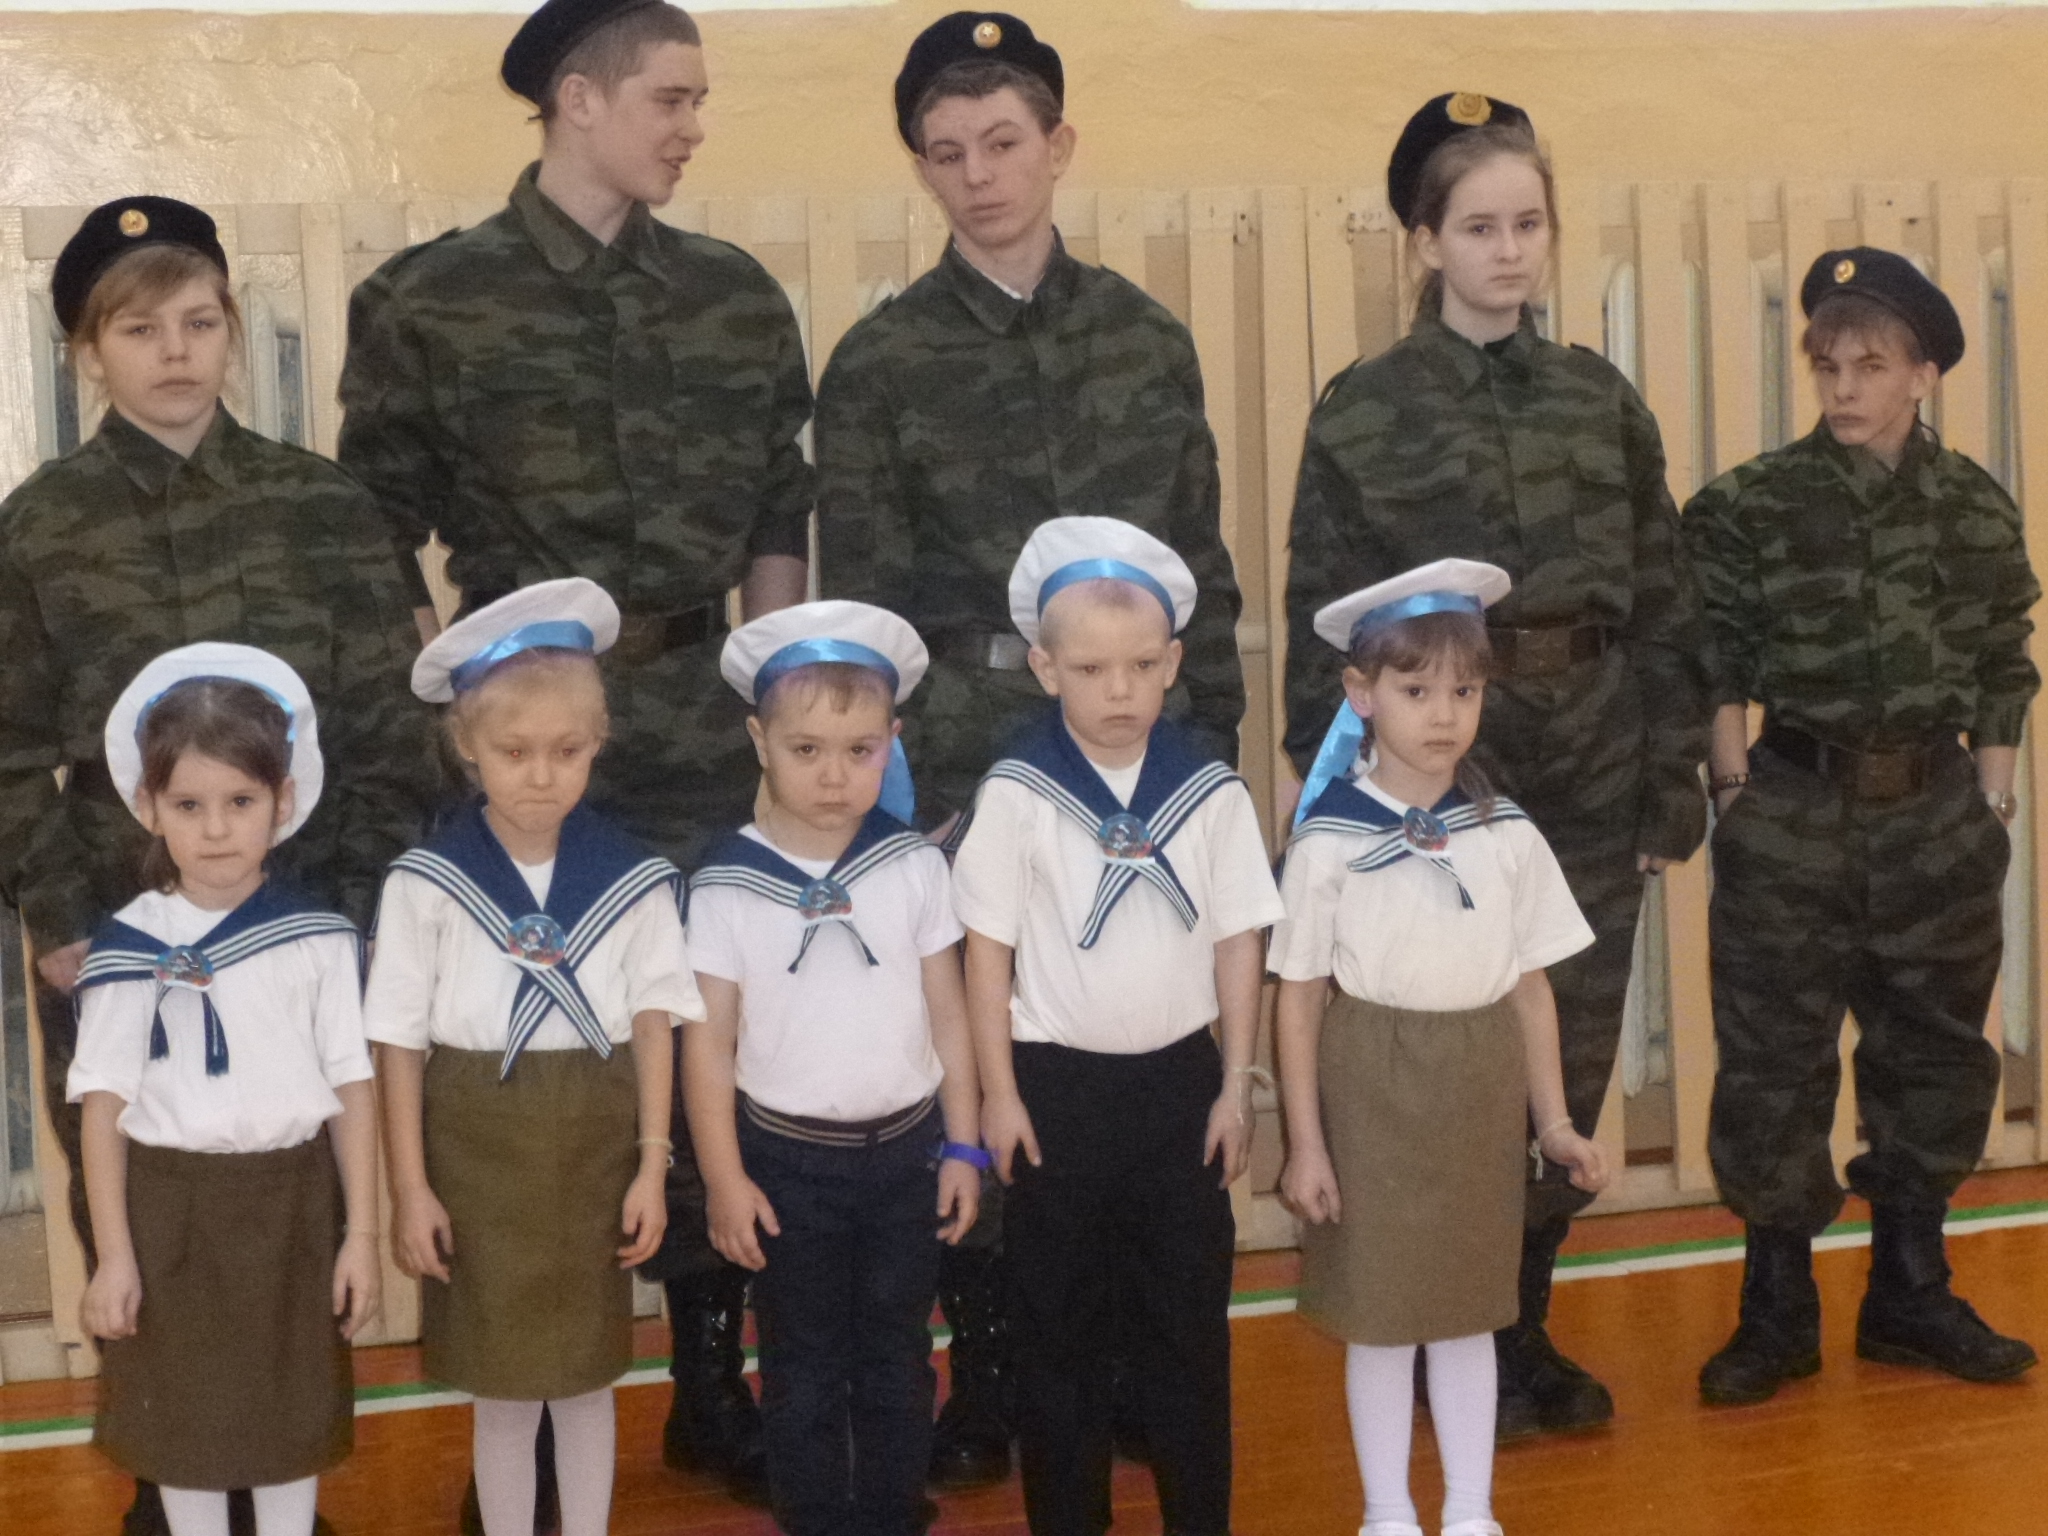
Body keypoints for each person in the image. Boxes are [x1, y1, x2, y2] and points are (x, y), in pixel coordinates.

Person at [337, 0, 813, 1499]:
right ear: (579, 99)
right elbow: (374, 527)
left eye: (698, 99)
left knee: (701, 1052)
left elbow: (775, 515)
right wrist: (468, 716)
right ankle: (522, 1398)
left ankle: (710, 1389)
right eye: (670, 97)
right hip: (526, 753)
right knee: (530, 1077)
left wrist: (776, 709)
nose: (691, 126)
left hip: (698, 726)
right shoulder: (431, 299)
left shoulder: (734, 298)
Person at [816, 12, 1245, 1483]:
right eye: (945, 153)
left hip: (1136, 753)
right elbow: (867, 610)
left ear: (1058, 145)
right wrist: (896, 802)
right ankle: (996, 1373)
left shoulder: (1145, 338)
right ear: (920, 170)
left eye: (1003, 142)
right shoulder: (881, 362)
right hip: (966, 748)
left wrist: (1209, 760)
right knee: (987, 1061)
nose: (979, 175)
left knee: (1127, 1061)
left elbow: (1202, 570)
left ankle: (1123, 1364)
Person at [1281, 93, 1711, 1437]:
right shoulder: (1364, 411)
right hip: (1430, 779)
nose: (1508, 250)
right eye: (1477, 227)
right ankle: (1423, 1317)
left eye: (1528, 224)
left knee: (1557, 1053)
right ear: (1425, 241)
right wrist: (1330, 799)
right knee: (1433, 1060)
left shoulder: (1599, 398)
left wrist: (1670, 772)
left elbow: (1663, 595)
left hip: (1589, 761)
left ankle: (1517, 1324)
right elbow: (1316, 615)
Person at [0, 196, 430, 1536]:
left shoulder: (323, 507)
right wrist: (62, 916)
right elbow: (8, 746)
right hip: (119, 929)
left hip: (300, 927)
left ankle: (281, 1458)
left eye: (198, 321)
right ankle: (169, 1472)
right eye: (139, 330)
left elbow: (383, 726)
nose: (175, 351)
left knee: (296, 1202)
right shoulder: (41, 526)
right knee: (141, 1201)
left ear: (232, 329)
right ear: (88, 351)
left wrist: (358, 914)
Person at [1683, 248, 2040, 1405]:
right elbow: (1712, 659)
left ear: (1921, 374)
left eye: (1869, 366)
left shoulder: (1972, 506)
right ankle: (1773, 1308)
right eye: (1827, 365)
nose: (1842, 387)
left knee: (1932, 1055)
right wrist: (1732, 793)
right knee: (1771, 1062)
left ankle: (1908, 1291)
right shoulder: (1747, 505)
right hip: (1791, 809)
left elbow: (2002, 662)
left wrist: (1988, 799)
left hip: (1932, 816)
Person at [950, 518, 1282, 1536]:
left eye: (1141, 666)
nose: (1119, 690)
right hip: (1055, 1092)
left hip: (1180, 1089)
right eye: (1091, 669)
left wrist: (1235, 1085)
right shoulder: (1016, 791)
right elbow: (986, 952)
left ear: (1173, 663)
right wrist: (999, 1094)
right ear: (1045, 669)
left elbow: (1239, 941)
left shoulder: (1208, 789)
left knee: (1188, 1336)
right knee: (1057, 1337)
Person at [1273, 561, 1610, 1536]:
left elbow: (1529, 986)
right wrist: (1305, 1143)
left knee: (1468, 1308)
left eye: (1464, 691)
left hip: (1476, 1085)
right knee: (1379, 1314)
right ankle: (1387, 1513)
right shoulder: (1328, 839)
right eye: (1416, 690)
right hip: (1370, 1085)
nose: (1442, 714)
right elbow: (1297, 998)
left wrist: (1553, 1121)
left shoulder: (1504, 833)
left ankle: (1469, 1511)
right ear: (1361, 693)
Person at [363, 580, 702, 1536]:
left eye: (567, 750)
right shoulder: (425, 883)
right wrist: (410, 1188)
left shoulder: (633, 879)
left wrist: (652, 1165)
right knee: (502, 1390)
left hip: (596, 1146)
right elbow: (397, 1041)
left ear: (599, 742)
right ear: (466, 744)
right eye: (514, 752)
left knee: (590, 1381)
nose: (542, 776)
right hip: (476, 1148)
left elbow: (655, 1024)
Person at [684, 600, 983, 1536]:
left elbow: (950, 1015)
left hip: (905, 1158)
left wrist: (964, 1147)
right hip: (786, 1167)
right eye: (806, 749)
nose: (833, 773)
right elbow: (708, 1047)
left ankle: (892, 1514)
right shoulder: (724, 883)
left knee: (898, 1358)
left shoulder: (914, 868)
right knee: (802, 1368)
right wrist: (724, 1179)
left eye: (860, 750)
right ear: (759, 742)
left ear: (893, 743)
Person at [71, 644, 382, 1536]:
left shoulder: (318, 938)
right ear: (148, 807)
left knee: (291, 1420)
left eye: (241, 802)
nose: (216, 830)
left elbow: (352, 1085)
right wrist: (115, 1256)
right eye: (188, 805)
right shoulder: (130, 948)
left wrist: (361, 1235)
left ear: (285, 801)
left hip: (291, 1207)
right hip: (171, 1214)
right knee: (186, 1431)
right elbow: (103, 1111)